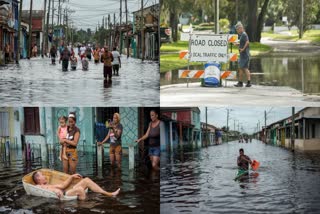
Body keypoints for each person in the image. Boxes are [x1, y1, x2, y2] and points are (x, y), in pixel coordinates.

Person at [31, 171, 120, 200]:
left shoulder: (49, 184)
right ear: (38, 179)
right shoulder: (39, 187)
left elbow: (62, 185)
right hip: (64, 195)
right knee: (80, 189)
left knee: (86, 180)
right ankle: (84, 207)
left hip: (66, 191)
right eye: (42, 175)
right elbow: (36, 189)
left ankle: (108, 193)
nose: (44, 176)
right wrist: (56, 191)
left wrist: (72, 176)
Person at [234, 22, 251, 87]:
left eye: (238, 29)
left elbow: (247, 42)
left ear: (241, 28)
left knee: (242, 68)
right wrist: (238, 44)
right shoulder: (243, 35)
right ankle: (245, 82)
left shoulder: (244, 34)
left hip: (244, 55)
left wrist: (243, 49)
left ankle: (241, 82)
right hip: (243, 55)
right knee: (244, 68)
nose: (237, 31)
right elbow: (244, 43)